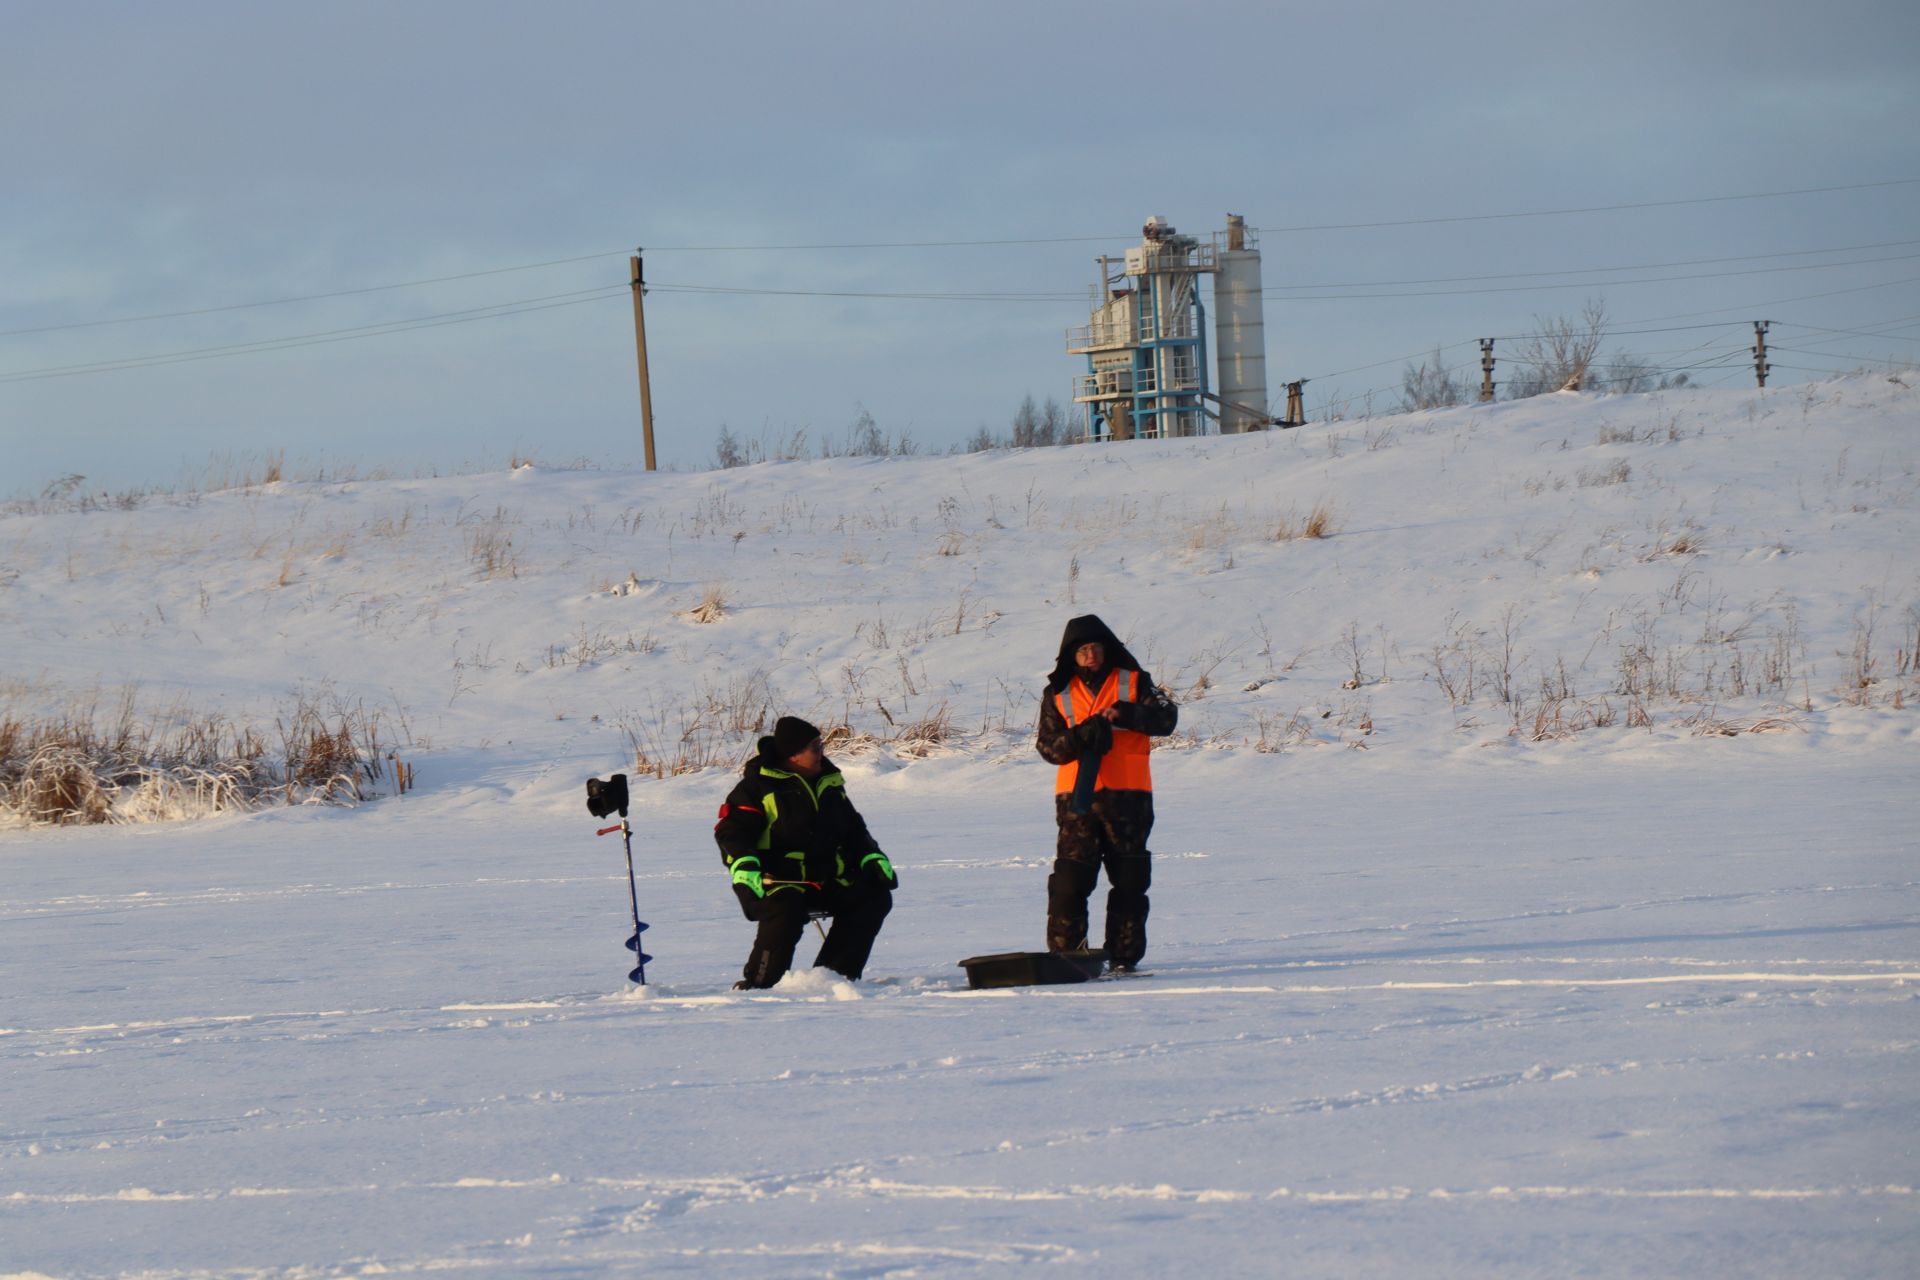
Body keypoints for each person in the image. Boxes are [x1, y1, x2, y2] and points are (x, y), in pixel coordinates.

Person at [1034, 615, 1178, 972]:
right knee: (1070, 882)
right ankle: (1068, 956)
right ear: (1070, 655)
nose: (1091, 654)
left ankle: (1123, 958)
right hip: (1076, 801)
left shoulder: (1134, 682)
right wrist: (1080, 736)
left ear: (1107, 648)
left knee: (1130, 882)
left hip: (1129, 798)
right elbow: (1049, 748)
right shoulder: (1057, 693)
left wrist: (1128, 714)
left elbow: (1167, 720)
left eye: (1096, 647)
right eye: (1082, 649)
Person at [713, 716, 897, 989]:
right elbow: (731, 833)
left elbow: (854, 831)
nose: (822, 752)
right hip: (774, 880)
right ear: (793, 755)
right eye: (815, 747)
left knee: (874, 897)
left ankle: (833, 977)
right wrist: (745, 866)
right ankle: (761, 985)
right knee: (785, 907)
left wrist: (873, 857)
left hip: (824, 878)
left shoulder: (830, 785)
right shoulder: (756, 788)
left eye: (821, 745)